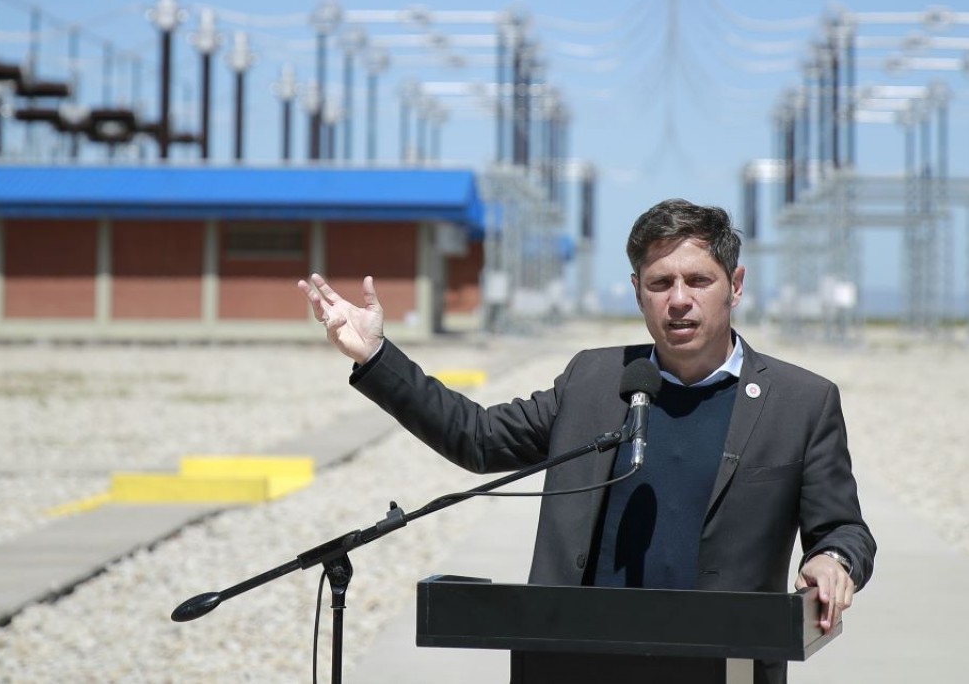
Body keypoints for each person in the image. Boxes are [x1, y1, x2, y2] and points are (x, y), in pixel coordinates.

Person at [299, 198, 874, 684]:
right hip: (575, 662)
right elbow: (476, 439)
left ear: (735, 285)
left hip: (722, 666)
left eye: (698, 280)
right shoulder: (596, 381)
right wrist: (377, 357)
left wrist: (833, 559)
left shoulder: (801, 401)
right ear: (636, 291)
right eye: (660, 283)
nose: (679, 299)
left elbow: (842, 527)